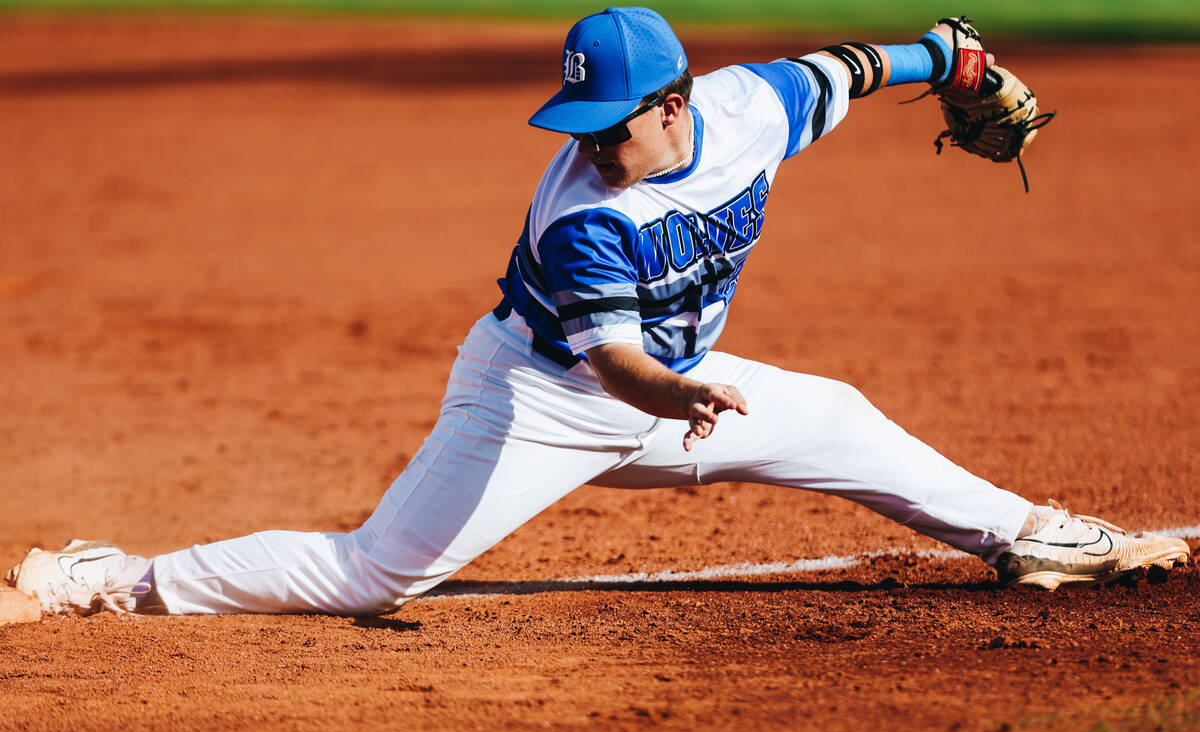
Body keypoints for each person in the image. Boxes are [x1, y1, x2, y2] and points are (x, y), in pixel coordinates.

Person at [7, 7, 1190, 617]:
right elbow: (618, 366)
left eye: (612, 122)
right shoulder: (583, 215)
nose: (593, 144)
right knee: (376, 573)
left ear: (676, 104)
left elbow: (851, 67)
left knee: (841, 417)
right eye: (583, 124)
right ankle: (107, 577)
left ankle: (1025, 533)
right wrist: (684, 394)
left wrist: (952, 58)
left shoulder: (751, 108)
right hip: (542, 399)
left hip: (689, 395)